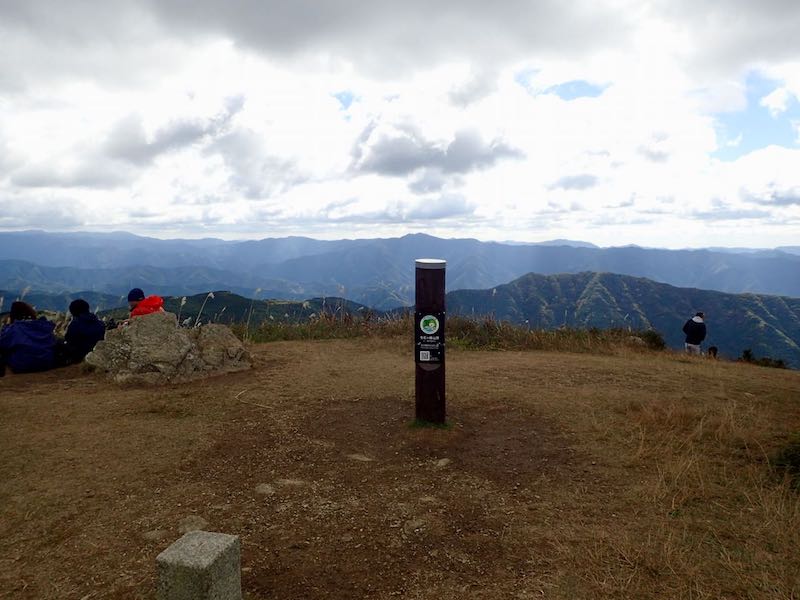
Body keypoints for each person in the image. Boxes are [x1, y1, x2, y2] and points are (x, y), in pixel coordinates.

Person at [0, 301, 56, 376]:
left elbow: (2, 344)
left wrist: (5, 329)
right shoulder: (43, 326)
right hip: (46, 363)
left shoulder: (14, 329)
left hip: (24, 366)